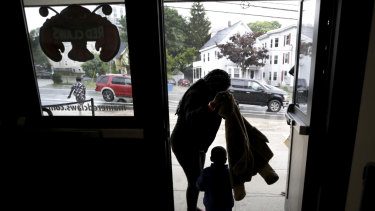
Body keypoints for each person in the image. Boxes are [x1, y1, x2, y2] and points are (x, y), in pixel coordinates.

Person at [171, 69, 231, 211]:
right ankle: (191, 210)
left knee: (197, 178)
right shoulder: (196, 93)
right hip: (184, 143)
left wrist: (229, 107)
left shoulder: (211, 93)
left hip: (198, 144)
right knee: (195, 181)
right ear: (215, 86)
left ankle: (192, 208)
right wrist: (213, 104)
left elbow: (217, 115)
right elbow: (192, 117)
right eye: (222, 90)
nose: (222, 92)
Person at [196, 146, 234, 211]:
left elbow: (200, 186)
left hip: (211, 205)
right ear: (225, 159)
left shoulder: (206, 172)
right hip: (226, 205)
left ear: (211, 158)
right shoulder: (230, 173)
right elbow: (234, 185)